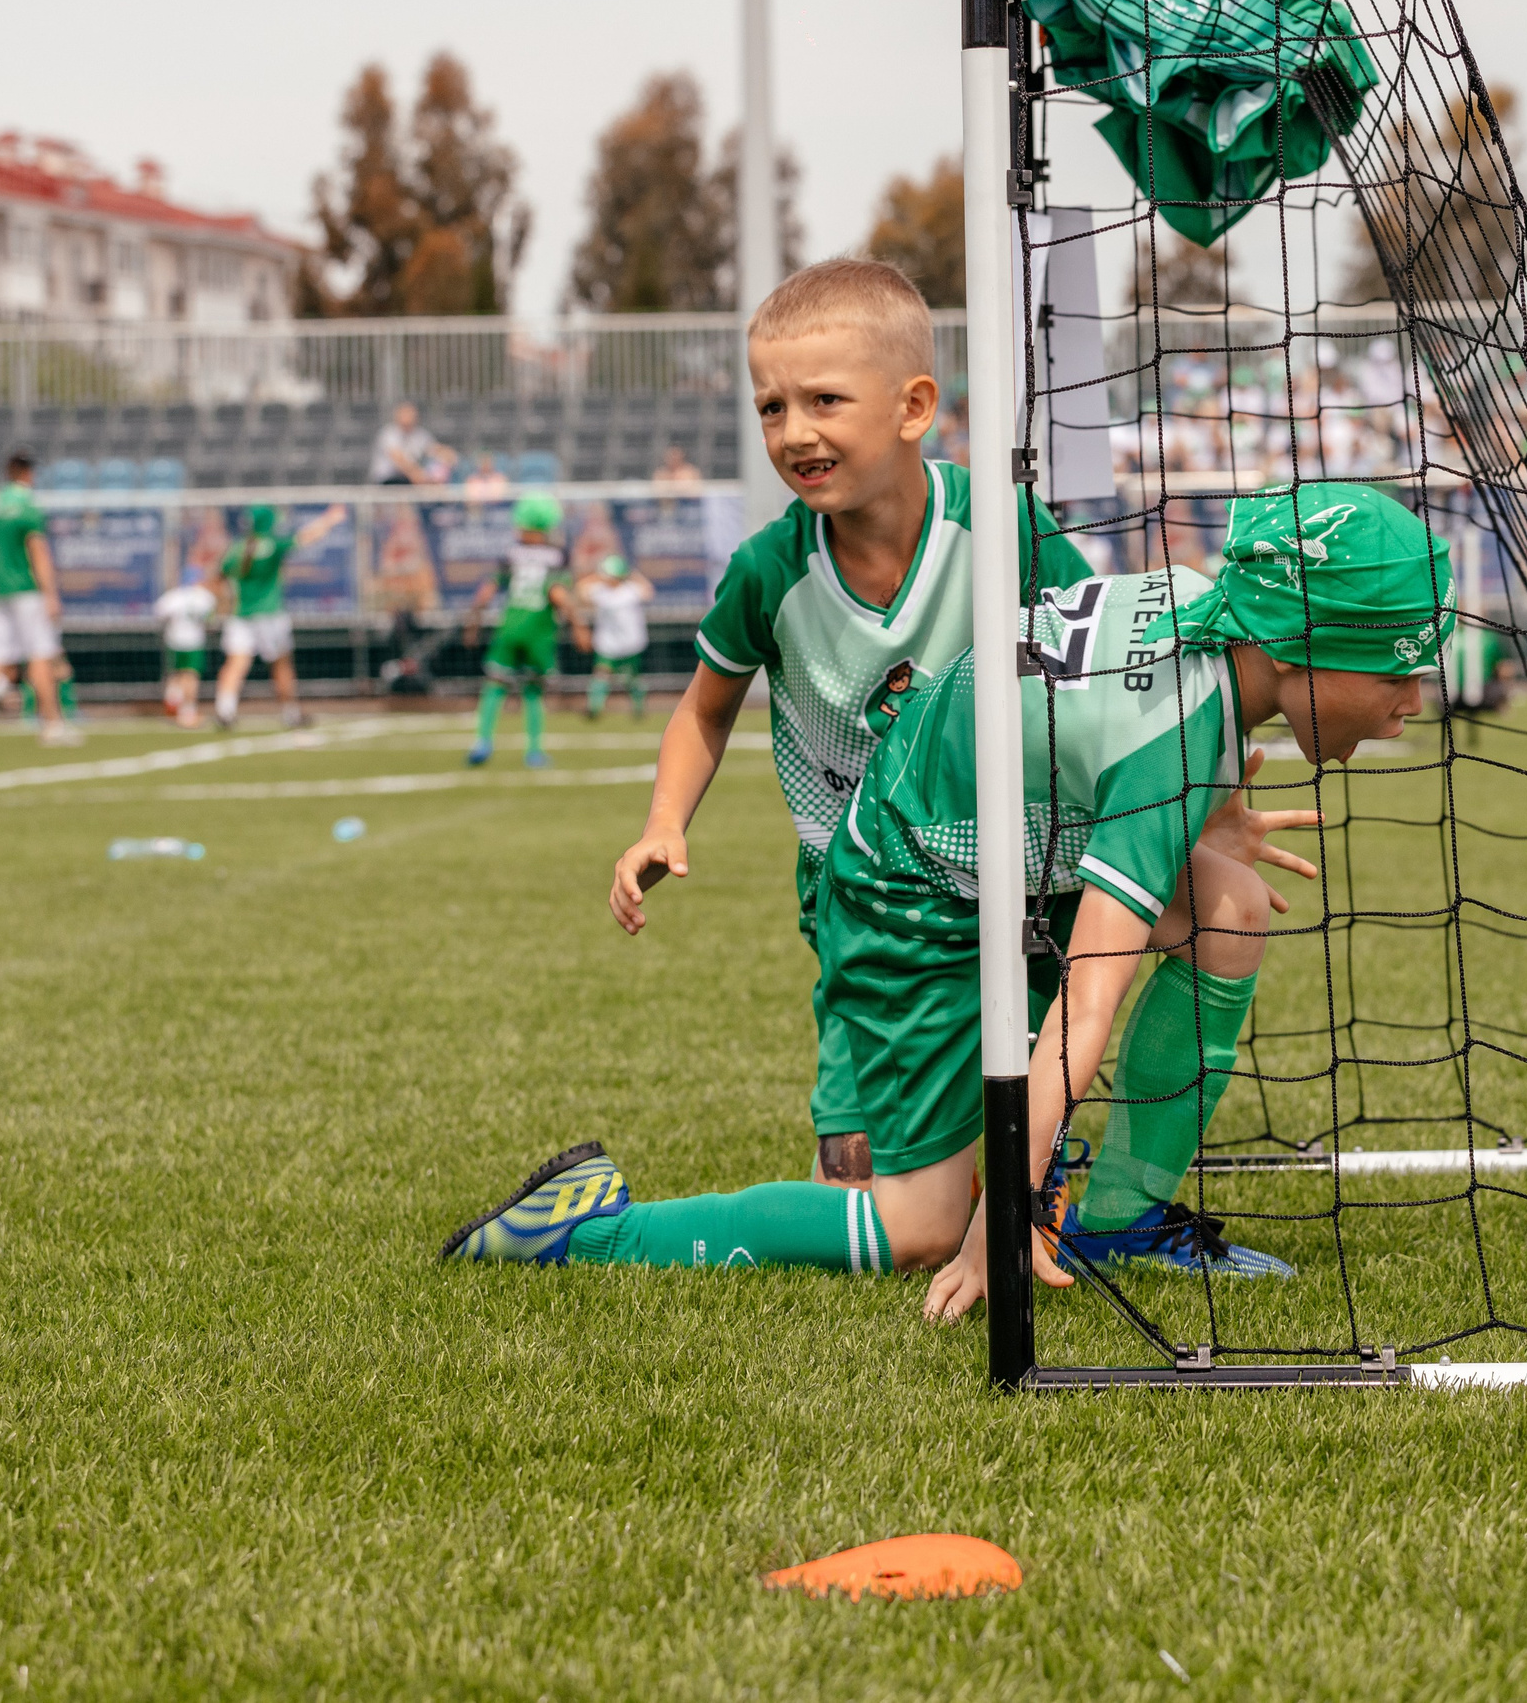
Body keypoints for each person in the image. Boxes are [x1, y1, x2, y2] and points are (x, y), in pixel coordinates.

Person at [448, 481, 1453, 1317]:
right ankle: (587, 1228)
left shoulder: (1210, 600)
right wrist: (1001, 1214)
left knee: (1228, 907)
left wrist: (1212, 817)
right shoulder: (1170, 746)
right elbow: (1086, 1005)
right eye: (1397, 668)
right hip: (910, 890)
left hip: (1010, 851)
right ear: (1298, 644)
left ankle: (1118, 1221)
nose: (1411, 701)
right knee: (918, 1230)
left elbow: (1119, 716)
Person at [604, 257, 1095, 1193]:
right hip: (858, 889)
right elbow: (704, 711)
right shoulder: (767, 570)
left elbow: (1107, 653)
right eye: (771, 408)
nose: (795, 432)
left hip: (1014, 870)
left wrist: (1210, 805)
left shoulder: (1006, 531)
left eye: (825, 400)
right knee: (862, 1188)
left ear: (913, 408)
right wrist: (663, 823)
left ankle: (1096, 1188)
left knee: (1023, 1156)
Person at [0, 453, 79, 747]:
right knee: (41, 656)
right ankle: (52, 724)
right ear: (27, 473)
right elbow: (38, 552)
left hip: (3, 590)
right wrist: (51, 594)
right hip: (27, 590)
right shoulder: (27, 505)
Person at [464, 494, 586, 767]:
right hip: (539, 631)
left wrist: (472, 622)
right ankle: (533, 751)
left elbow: (485, 594)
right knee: (533, 690)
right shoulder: (557, 556)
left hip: (509, 627)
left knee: (495, 685)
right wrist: (579, 624)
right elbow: (557, 594)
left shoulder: (511, 554)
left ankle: (482, 741)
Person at [213, 503, 348, 731]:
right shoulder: (272, 544)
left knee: (235, 665)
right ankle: (290, 713)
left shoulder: (236, 547)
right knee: (281, 666)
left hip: (241, 614)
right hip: (269, 614)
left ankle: (225, 710)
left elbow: (220, 576)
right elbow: (306, 537)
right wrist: (330, 519)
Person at [582, 553, 654, 720]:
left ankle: (638, 708)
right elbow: (581, 590)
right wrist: (597, 576)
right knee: (601, 674)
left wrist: (632, 573)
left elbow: (648, 591)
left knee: (631, 678)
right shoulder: (600, 591)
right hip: (608, 643)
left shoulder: (631, 590)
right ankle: (594, 708)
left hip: (630, 644)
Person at [153, 564, 219, 729]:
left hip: (174, 640)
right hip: (193, 641)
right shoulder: (204, 597)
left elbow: (159, 614)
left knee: (175, 676)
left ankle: (172, 706)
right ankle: (187, 712)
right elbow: (211, 619)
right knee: (190, 676)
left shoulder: (173, 596)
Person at [369, 402, 451, 486]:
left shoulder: (421, 435)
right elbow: (399, 460)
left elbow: (436, 450)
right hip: (389, 479)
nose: (408, 417)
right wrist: (420, 476)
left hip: (411, 479)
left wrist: (449, 457)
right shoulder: (389, 433)